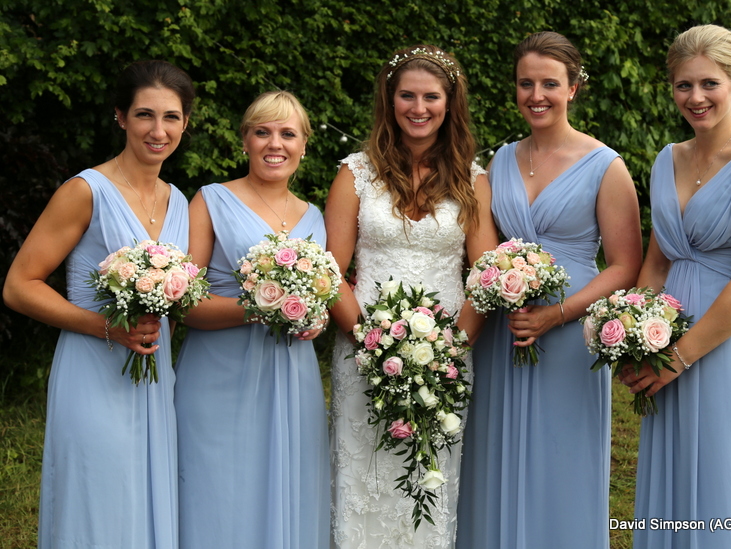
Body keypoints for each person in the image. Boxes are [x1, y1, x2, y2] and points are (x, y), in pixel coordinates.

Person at [456, 32, 642, 548]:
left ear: (574, 88)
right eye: (525, 83)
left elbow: (625, 266)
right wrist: (501, 289)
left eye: (550, 84)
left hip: (570, 330)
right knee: (495, 450)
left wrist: (554, 315)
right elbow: (485, 249)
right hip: (506, 330)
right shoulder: (500, 161)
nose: (536, 95)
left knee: (562, 452)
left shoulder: (606, 165)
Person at [2, 60, 194, 548]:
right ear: (120, 117)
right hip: (93, 368)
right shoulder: (85, 191)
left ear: (185, 123)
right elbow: (19, 285)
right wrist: (104, 327)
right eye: (144, 115)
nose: (158, 130)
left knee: (144, 498)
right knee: (99, 499)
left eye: (171, 117)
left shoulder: (179, 202)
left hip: (154, 375)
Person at [619, 24, 731, 548]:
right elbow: (656, 259)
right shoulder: (666, 159)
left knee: (725, 473)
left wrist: (680, 357)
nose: (696, 98)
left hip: (722, 343)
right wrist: (635, 334)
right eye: (683, 85)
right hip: (663, 336)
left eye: (709, 84)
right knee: (673, 475)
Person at [326, 45, 498, 548]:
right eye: (407, 96)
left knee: (429, 476)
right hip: (362, 350)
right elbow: (331, 272)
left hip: (446, 354)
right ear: (390, 99)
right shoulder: (355, 172)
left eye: (430, 97)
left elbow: (484, 276)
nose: (418, 108)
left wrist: (451, 352)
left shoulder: (472, 177)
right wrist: (370, 345)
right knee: (366, 472)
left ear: (450, 103)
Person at [173, 90, 330, 548]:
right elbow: (185, 305)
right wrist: (262, 306)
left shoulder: (314, 217)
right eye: (262, 132)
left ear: (304, 144)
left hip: (292, 376)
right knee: (218, 492)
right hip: (219, 374)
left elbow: (319, 295)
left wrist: (312, 317)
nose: (274, 143)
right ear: (245, 141)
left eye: (287, 133)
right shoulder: (210, 200)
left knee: (287, 485)